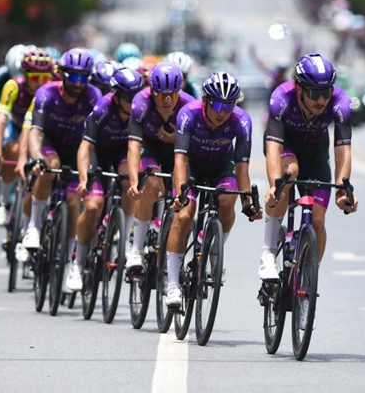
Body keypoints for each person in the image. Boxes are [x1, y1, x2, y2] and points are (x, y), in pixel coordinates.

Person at [165, 72, 263, 307]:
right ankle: (172, 286)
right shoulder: (188, 114)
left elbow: (242, 168)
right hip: (191, 165)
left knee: (228, 199)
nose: (222, 112)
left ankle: (215, 250)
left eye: (229, 105)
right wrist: (180, 195)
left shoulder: (242, 121)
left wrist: (247, 204)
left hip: (221, 166)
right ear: (206, 101)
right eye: (217, 104)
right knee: (185, 215)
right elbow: (179, 159)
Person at [259, 53, 358, 280]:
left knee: (318, 221)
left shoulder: (341, 103)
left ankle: (309, 277)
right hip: (285, 146)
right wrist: (276, 186)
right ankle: (268, 253)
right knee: (288, 173)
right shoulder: (281, 98)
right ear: (300, 89)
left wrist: (343, 190)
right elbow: (273, 147)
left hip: (315, 151)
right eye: (314, 93)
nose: (321, 100)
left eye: (326, 92)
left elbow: (343, 150)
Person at [27, 48, 101, 289]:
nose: (78, 83)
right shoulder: (46, 94)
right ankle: (34, 227)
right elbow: (35, 131)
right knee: (51, 167)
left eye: (83, 78)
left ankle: (71, 260)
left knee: (73, 201)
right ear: (63, 74)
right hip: (51, 144)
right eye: (73, 77)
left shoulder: (93, 96)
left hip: (77, 149)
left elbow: (94, 140)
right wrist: (37, 157)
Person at [70, 66, 145, 291]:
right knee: (93, 207)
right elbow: (85, 146)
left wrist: (135, 181)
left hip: (123, 153)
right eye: (129, 98)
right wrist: (84, 179)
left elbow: (138, 148)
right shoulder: (103, 108)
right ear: (117, 96)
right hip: (98, 154)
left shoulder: (141, 110)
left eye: (137, 96)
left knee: (129, 182)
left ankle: (126, 236)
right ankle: (77, 262)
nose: (134, 102)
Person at [125, 62, 195, 271]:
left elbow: (191, 150)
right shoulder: (141, 102)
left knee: (181, 197)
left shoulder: (188, 105)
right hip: (150, 148)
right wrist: (135, 181)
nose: (166, 100)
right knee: (151, 186)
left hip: (176, 151)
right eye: (161, 94)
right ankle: (136, 249)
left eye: (172, 95)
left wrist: (175, 138)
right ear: (152, 91)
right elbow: (133, 146)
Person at [0, 49, 56, 227]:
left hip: (40, 131)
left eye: (45, 78)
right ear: (25, 75)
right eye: (35, 78)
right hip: (17, 127)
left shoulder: (50, 92)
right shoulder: (12, 86)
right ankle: (3, 202)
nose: (40, 83)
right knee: (13, 150)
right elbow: (1, 119)